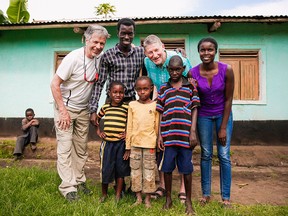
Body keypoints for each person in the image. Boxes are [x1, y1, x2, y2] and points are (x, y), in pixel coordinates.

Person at [50, 24, 110, 202]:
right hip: (65, 109)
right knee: (65, 147)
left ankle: (78, 180)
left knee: (81, 148)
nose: (99, 46)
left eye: (102, 43)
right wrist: (62, 111)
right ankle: (68, 187)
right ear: (87, 39)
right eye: (96, 42)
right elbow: (54, 84)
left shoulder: (99, 59)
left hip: (84, 110)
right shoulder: (73, 58)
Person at [143, 34, 192, 202]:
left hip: (182, 112)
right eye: (149, 52)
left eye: (156, 50)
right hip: (163, 108)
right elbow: (156, 86)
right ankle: (163, 185)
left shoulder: (176, 60)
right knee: (162, 147)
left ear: (163, 46)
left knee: (183, 149)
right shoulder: (147, 62)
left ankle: (183, 188)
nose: (154, 55)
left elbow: (191, 85)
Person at [188, 37, 234, 207]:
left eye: (210, 50)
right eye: (203, 50)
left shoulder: (226, 70)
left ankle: (226, 197)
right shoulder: (192, 73)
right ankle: (206, 194)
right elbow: (192, 99)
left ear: (215, 51)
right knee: (206, 154)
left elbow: (229, 99)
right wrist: (191, 87)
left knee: (223, 155)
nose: (206, 53)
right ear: (199, 52)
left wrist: (223, 128)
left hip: (223, 114)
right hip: (203, 115)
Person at [157, 55, 200, 215]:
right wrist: (160, 135)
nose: (174, 72)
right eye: (171, 69)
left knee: (186, 169)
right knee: (167, 169)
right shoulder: (163, 88)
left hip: (185, 136)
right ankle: (168, 199)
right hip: (168, 136)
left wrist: (193, 132)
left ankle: (188, 201)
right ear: (168, 70)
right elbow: (160, 112)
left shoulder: (190, 87)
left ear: (183, 69)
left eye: (178, 69)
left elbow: (195, 109)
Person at [90, 18, 145, 124]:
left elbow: (157, 54)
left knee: (130, 136)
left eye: (130, 34)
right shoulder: (108, 55)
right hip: (112, 103)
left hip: (131, 102)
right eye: (123, 33)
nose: (126, 37)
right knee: (112, 133)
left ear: (134, 34)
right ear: (118, 33)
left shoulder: (140, 53)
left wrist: (177, 52)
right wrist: (93, 110)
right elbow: (99, 83)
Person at [125, 76, 159, 208]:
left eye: (145, 89)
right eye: (139, 89)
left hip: (150, 144)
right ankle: (138, 198)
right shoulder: (132, 105)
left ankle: (148, 199)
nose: (142, 92)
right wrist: (128, 146)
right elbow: (129, 126)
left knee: (150, 171)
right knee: (135, 171)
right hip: (135, 145)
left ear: (151, 89)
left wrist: (156, 144)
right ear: (135, 90)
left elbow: (157, 126)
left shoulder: (155, 105)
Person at [95, 81, 130, 202]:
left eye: (121, 92)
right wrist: (98, 131)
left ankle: (118, 195)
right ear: (109, 93)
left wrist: (127, 133)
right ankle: (104, 194)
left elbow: (131, 123)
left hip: (121, 144)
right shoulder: (105, 107)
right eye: (115, 92)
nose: (118, 95)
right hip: (107, 144)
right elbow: (96, 119)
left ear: (124, 94)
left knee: (120, 169)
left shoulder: (127, 108)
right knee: (106, 168)